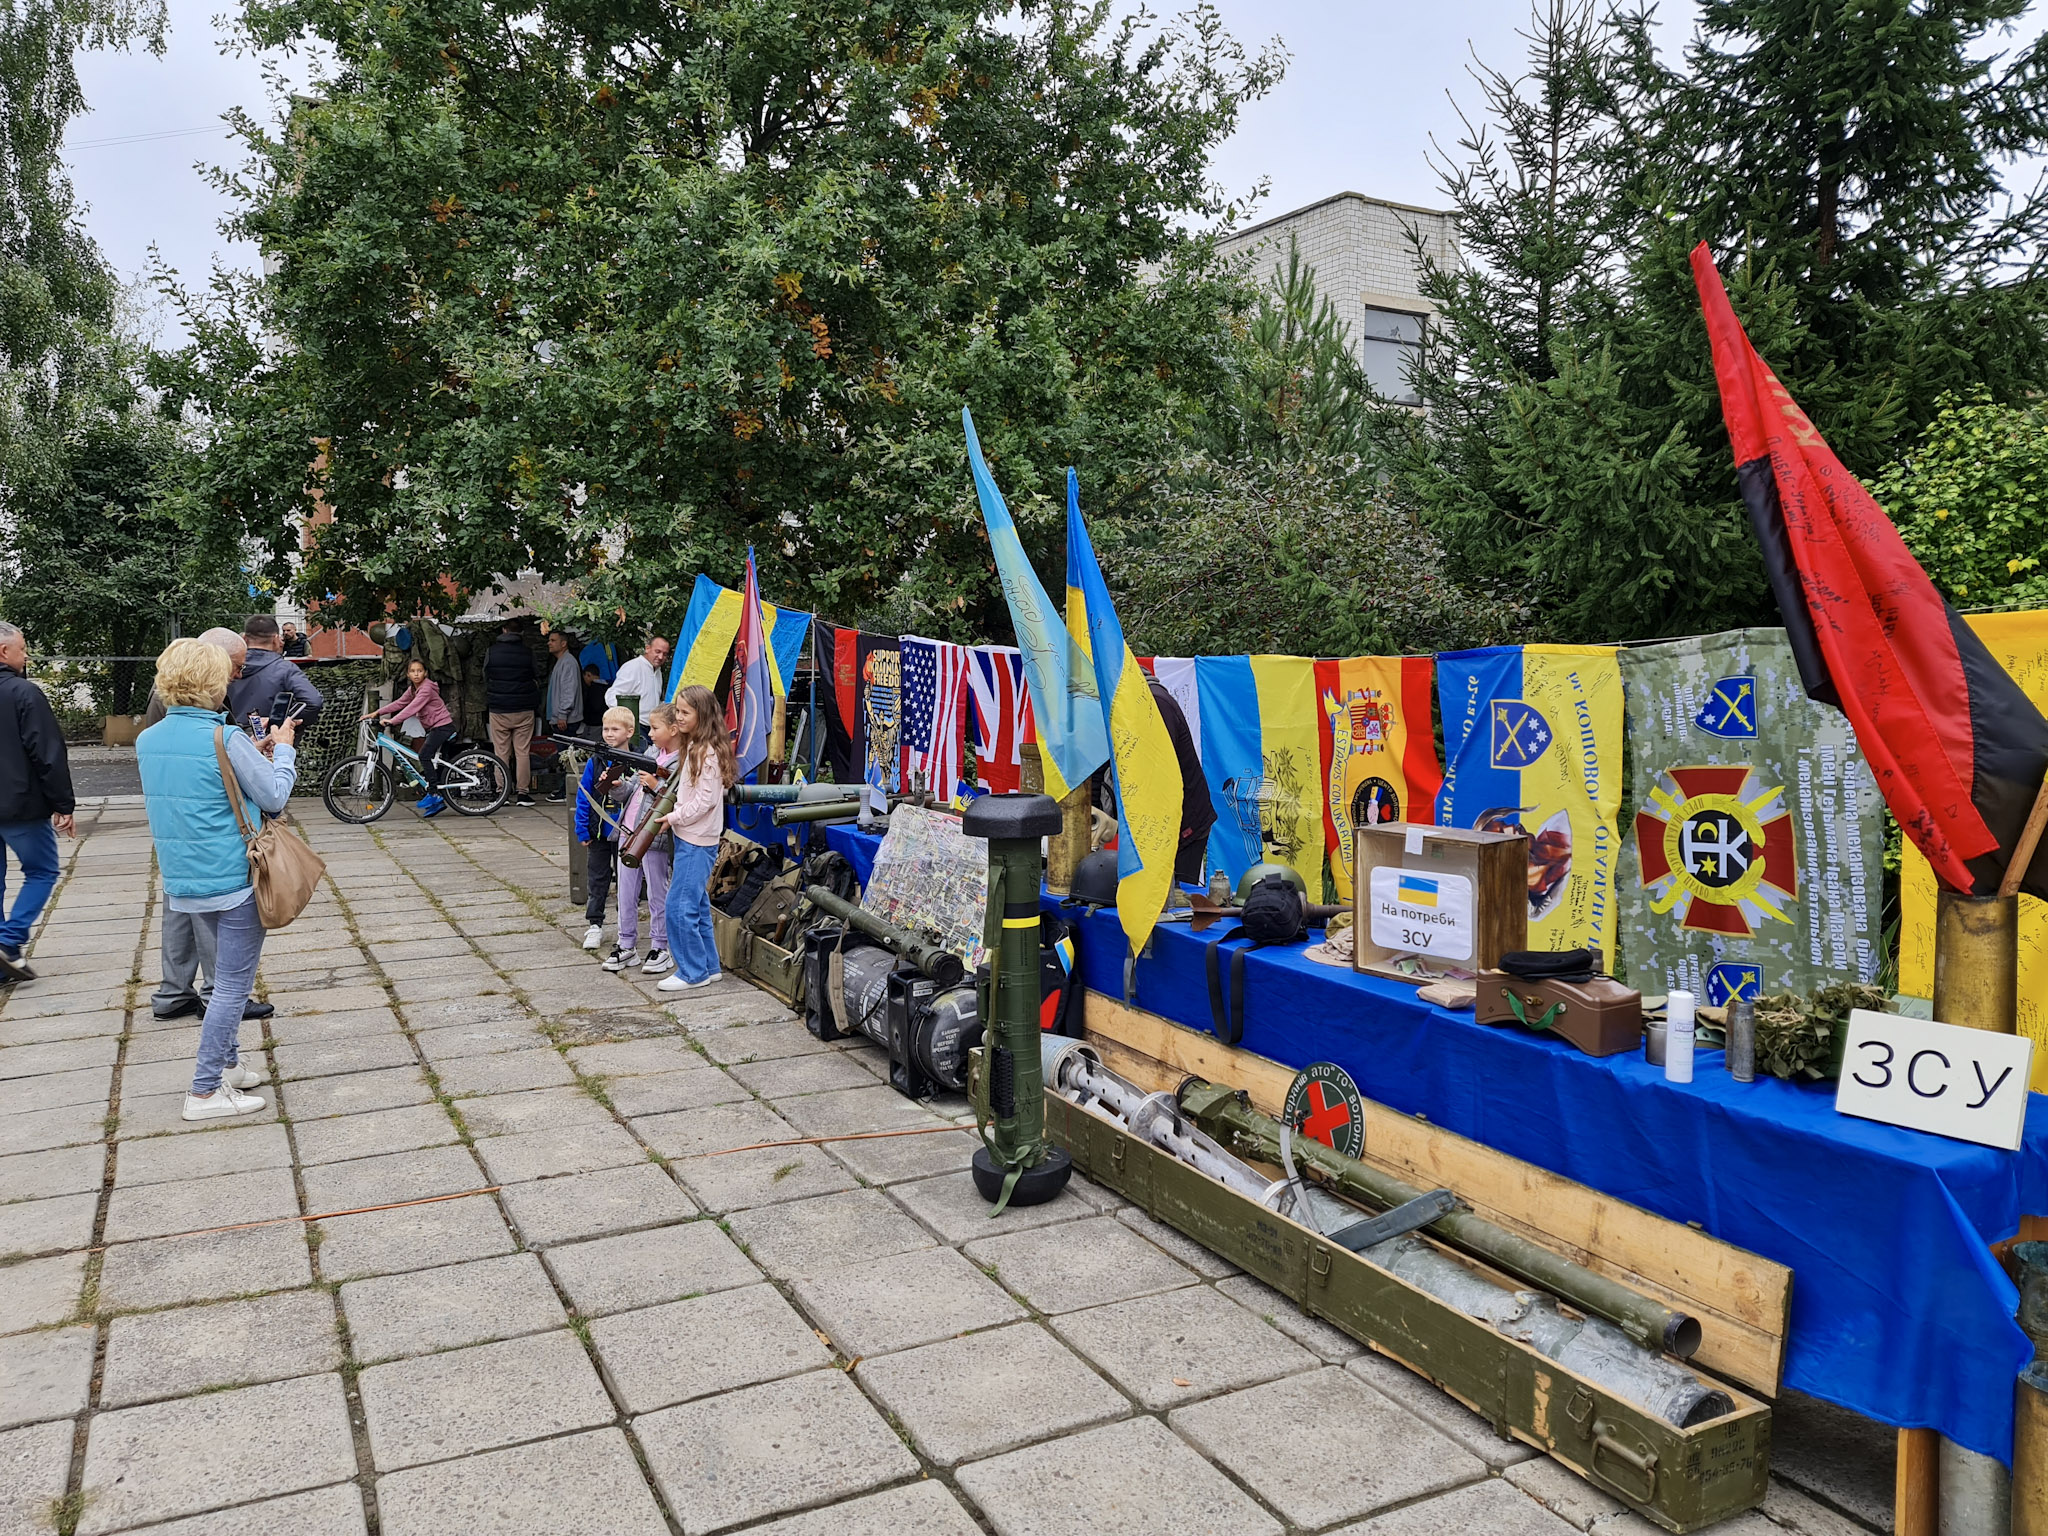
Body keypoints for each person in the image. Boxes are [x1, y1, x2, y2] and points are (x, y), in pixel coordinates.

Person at [136, 638, 298, 1120]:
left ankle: (229, 1065)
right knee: (230, 987)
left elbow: (196, 789)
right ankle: (204, 1091)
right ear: (213, 682)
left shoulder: (148, 739)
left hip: (183, 878)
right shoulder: (224, 737)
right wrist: (283, 752)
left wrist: (250, 752)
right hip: (233, 878)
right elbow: (273, 797)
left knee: (222, 979)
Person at [142, 628, 271, 1022]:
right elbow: (208, 758)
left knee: (179, 908)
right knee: (209, 910)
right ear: (209, 665)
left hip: (173, 828)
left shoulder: (155, 723)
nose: (238, 675)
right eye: (235, 666)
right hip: (206, 827)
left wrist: (243, 752)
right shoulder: (199, 706)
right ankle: (220, 994)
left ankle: (174, 992)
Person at [0, 622, 76, 984]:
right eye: (23, 649)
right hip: (20, 806)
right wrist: (63, 804)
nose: (26, 656)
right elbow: (47, 752)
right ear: (4, 652)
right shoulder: (24, 693)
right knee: (43, 871)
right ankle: (9, 940)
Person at [656, 684, 736, 994]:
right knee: (698, 905)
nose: (678, 716)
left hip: (696, 840)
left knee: (679, 907)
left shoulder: (706, 753)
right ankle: (709, 967)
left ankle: (691, 972)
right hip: (692, 837)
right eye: (677, 710)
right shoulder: (697, 747)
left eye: (685, 712)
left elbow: (705, 801)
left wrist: (673, 817)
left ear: (702, 715)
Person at [605, 702, 677, 975]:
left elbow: (678, 797)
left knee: (658, 893)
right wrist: (617, 786)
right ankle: (626, 944)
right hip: (628, 832)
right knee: (625, 892)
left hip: (653, 835)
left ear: (673, 730)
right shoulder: (652, 753)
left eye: (655, 728)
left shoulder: (682, 761)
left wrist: (657, 785)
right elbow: (631, 790)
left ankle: (661, 946)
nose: (650, 733)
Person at [574, 707, 636, 950]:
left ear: (629, 732)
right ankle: (595, 925)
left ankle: (625, 926)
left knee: (627, 882)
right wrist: (582, 828)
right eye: (606, 729)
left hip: (626, 834)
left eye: (615, 729)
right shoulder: (596, 761)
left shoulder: (637, 761)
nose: (609, 734)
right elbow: (584, 795)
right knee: (597, 880)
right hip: (599, 832)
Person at [1147, 674, 1216, 886]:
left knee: (1178, 895)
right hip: (1157, 818)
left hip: (1185, 819)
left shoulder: (1155, 703)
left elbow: (1161, 774)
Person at [366, 659, 457, 816]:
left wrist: (392, 721)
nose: (416, 674)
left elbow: (412, 708)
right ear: (408, 674)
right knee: (433, 763)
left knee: (424, 756)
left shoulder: (426, 689)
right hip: (434, 728)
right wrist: (377, 712)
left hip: (442, 727)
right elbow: (400, 703)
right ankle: (437, 802)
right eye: (413, 671)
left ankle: (434, 794)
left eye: (419, 671)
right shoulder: (413, 689)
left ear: (425, 673)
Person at [227, 615, 325, 739]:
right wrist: (284, 723)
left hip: (226, 737)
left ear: (244, 639)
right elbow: (313, 702)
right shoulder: (286, 669)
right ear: (276, 639)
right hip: (268, 739)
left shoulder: (225, 667)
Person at [485, 622, 541, 807]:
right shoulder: (528, 652)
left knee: (501, 752)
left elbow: (486, 676)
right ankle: (523, 793)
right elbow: (536, 674)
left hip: (499, 708)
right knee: (522, 752)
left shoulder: (491, 651)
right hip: (524, 708)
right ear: (521, 632)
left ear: (504, 630)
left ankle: (502, 793)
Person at [543, 630, 583, 802]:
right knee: (564, 755)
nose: (549, 643)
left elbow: (569, 690)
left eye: (553, 640)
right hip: (561, 717)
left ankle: (567, 791)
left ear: (563, 643)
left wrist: (562, 714)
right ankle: (565, 789)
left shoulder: (568, 663)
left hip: (566, 719)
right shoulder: (562, 662)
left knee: (567, 756)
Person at [606, 635, 671, 731]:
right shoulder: (633, 667)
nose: (661, 657)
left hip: (651, 726)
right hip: (635, 726)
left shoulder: (657, 671)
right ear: (647, 648)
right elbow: (611, 696)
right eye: (657, 651)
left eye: (665, 654)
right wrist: (627, 718)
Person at [580, 664, 609, 734]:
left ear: (588, 675)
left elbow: (596, 707)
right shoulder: (607, 687)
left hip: (593, 724)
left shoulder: (593, 689)